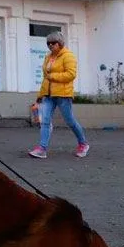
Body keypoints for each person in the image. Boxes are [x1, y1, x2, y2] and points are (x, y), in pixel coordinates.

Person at [29, 31, 90, 159]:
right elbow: (45, 78)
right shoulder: (48, 57)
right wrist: (40, 95)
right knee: (44, 121)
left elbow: (71, 74)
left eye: (53, 43)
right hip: (48, 95)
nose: (50, 45)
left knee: (70, 121)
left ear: (60, 43)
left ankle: (83, 144)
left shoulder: (68, 56)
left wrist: (53, 76)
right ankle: (42, 149)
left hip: (63, 95)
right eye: (48, 43)